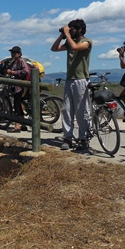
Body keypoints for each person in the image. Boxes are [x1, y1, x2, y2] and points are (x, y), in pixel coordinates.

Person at [51, 19, 92, 151]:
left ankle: (83, 138)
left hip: (81, 80)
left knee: (82, 111)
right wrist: (62, 35)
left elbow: (75, 47)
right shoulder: (69, 42)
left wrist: (67, 35)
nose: (70, 31)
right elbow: (54, 48)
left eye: (72, 29)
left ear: (80, 29)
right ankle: (67, 138)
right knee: (67, 110)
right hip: (69, 79)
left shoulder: (87, 42)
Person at [4, 46, 30, 133]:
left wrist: (13, 72)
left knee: (16, 105)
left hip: (20, 86)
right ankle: (23, 125)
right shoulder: (14, 61)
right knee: (18, 104)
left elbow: (26, 71)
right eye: (12, 52)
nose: (12, 54)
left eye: (14, 53)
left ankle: (17, 126)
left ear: (19, 54)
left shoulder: (21, 61)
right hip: (17, 86)